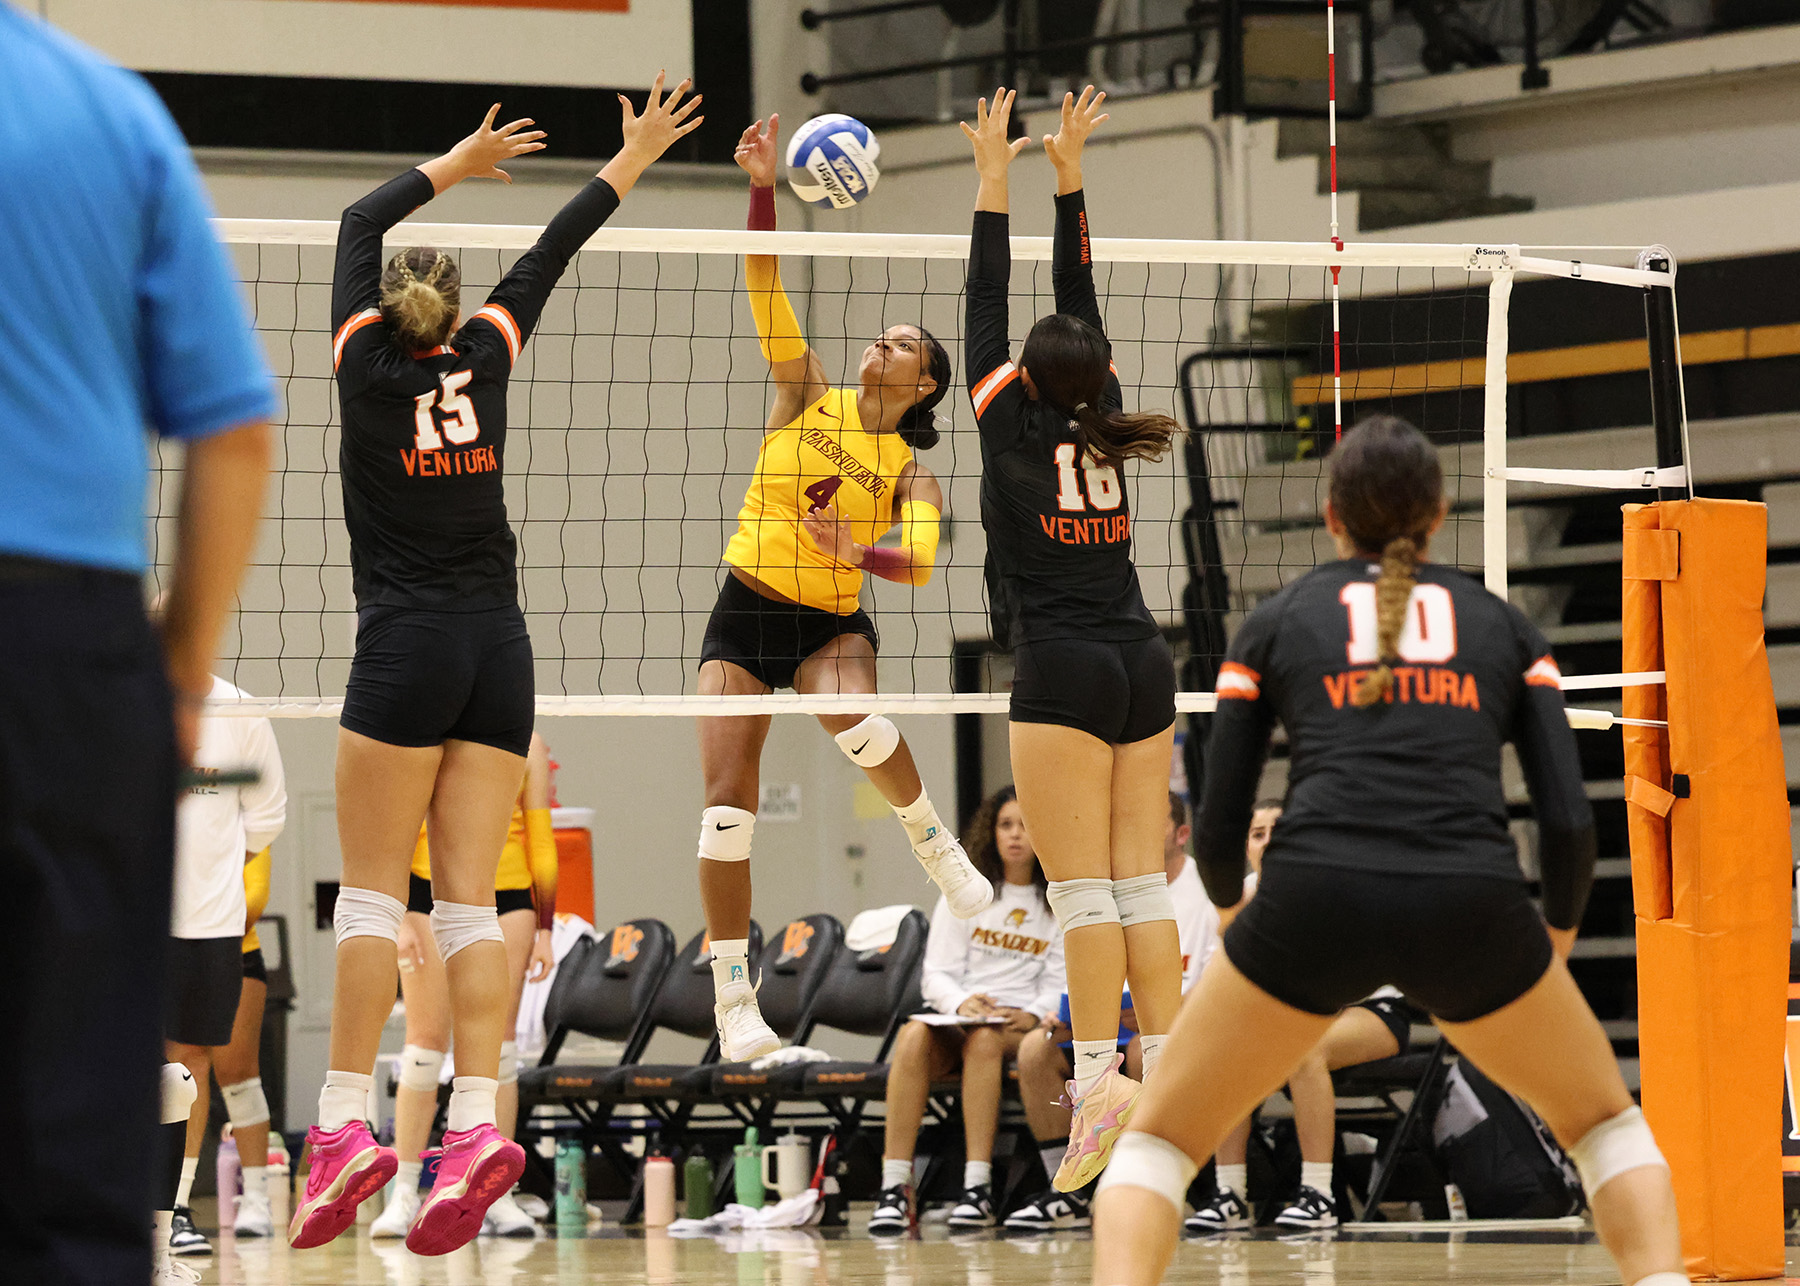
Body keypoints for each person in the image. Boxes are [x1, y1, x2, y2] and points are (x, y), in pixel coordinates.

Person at [1092, 416, 1684, 1286]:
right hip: (1470, 901)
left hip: (1311, 901)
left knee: (1158, 1145)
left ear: (1331, 517)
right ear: (1439, 516)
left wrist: (1239, 919)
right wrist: (1550, 940)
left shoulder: (1275, 622)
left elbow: (1218, 825)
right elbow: (1568, 823)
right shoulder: (1507, 627)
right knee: (1606, 1129)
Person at [294, 80, 701, 1258]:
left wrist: (455, 162)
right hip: (500, 652)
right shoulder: (489, 352)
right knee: (471, 900)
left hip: (407, 643)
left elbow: (355, 225)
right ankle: (474, 1121)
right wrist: (628, 159)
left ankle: (339, 1126)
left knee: (377, 894)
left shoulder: (366, 365)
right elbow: (556, 247)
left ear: (379, 313)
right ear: (459, 312)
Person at [0, 11, 274, 1285]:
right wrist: (175, 674)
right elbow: (234, 429)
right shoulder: (105, 110)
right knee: (81, 1132)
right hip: (67, 646)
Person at [695, 114, 989, 1064]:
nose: (881, 342)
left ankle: (932, 840)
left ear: (927, 383)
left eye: (901, 342)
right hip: (745, 610)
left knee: (854, 719)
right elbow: (764, 282)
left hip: (829, 620)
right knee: (727, 808)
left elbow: (923, 563)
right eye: (882, 334)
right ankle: (735, 1004)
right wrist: (762, 187)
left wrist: (849, 551)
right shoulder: (805, 389)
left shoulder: (914, 472)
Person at [962, 84, 1186, 1193]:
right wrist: (1065, 174)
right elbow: (1072, 299)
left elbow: (985, 301)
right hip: (1145, 658)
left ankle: (1098, 1083)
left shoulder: (1009, 417)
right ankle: (1179, 1075)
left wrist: (992, 180)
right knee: (1141, 884)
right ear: (1095, 370)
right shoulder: (1106, 412)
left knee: (1084, 893)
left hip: (1061, 665)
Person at [370, 733, 556, 1240]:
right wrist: (403, 916)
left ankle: (495, 1194)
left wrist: (545, 928)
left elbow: (540, 834)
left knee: (501, 1045)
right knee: (425, 1041)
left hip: (508, 894)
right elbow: (400, 828)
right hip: (429, 894)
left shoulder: (528, 740)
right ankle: (405, 1191)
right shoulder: (426, 729)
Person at [1005, 791, 1212, 1231]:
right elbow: (1076, 963)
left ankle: (1145, 1184)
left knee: (1144, 1050)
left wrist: (1171, 1011)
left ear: (1181, 834)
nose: (1131, 826)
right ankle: (1070, 1193)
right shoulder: (1117, 884)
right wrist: (1062, 1012)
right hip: (1106, 1019)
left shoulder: (1205, 891)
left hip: (1169, 1024)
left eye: (1148, 818)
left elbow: (1220, 975)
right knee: (1034, 1051)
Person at [867, 786, 1065, 1233]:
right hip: (964, 1017)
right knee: (913, 1035)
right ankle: (895, 1186)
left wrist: (1033, 1013)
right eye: (1005, 825)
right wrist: (962, 1001)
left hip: (1017, 1024)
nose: (1015, 836)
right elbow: (935, 972)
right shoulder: (966, 891)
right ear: (991, 833)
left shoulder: (1057, 900)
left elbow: (1062, 980)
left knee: (985, 1040)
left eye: (1026, 826)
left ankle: (977, 1187)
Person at [163, 673, 288, 1257]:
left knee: (195, 1067)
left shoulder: (236, 708)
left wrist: (211, 874)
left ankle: (178, 1208)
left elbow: (267, 816)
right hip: (122, 924)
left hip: (213, 930)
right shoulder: (113, 692)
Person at [211, 844, 283, 1239]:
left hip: (236, 954)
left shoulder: (247, 824)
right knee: (178, 1075)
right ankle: (177, 1205)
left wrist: (199, 920)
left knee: (238, 1076)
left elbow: (252, 900)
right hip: (172, 954)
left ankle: (255, 1196)